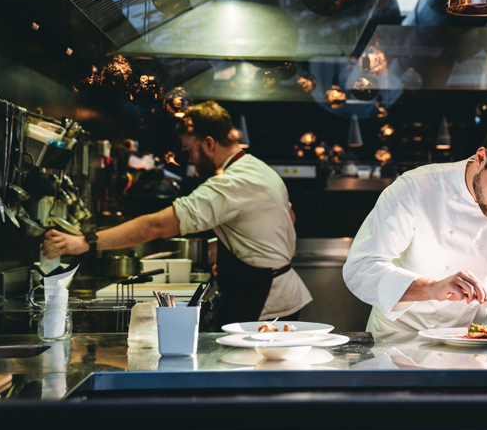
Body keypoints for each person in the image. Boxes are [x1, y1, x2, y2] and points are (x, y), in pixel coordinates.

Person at [41, 101, 311, 326]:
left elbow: (157, 226)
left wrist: (86, 242)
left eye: (189, 149)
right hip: (279, 293)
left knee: (246, 381)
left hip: (264, 300)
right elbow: (290, 219)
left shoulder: (229, 184)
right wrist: (239, 257)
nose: (189, 159)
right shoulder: (257, 168)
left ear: (208, 143)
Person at [343, 114, 487, 333]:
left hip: (473, 341)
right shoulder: (415, 188)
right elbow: (361, 267)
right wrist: (432, 288)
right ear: (481, 158)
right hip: (399, 340)